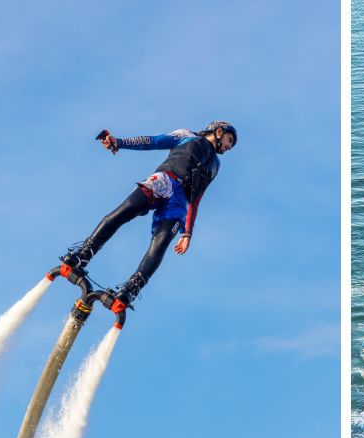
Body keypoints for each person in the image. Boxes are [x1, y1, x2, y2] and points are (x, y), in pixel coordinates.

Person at [60, 121, 237, 312]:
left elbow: (196, 199)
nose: (228, 147)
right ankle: (83, 254)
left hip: (179, 202)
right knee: (123, 212)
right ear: (219, 131)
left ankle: (131, 288)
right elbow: (152, 141)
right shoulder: (187, 135)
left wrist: (187, 233)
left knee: (159, 245)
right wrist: (119, 142)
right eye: (229, 141)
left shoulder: (215, 166)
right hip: (163, 181)